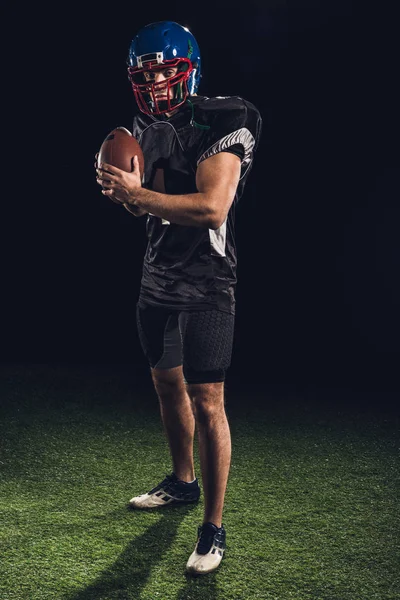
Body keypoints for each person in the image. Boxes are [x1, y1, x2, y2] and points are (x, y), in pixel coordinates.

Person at [96, 20, 262, 575]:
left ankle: (213, 529)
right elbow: (147, 204)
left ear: (189, 70)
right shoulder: (143, 126)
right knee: (166, 383)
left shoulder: (227, 118)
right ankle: (182, 482)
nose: (158, 83)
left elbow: (212, 208)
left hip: (208, 282)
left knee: (208, 400)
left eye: (167, 71)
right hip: (157, 277)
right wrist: (125, 194)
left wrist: (137, 193)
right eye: (147, 74)